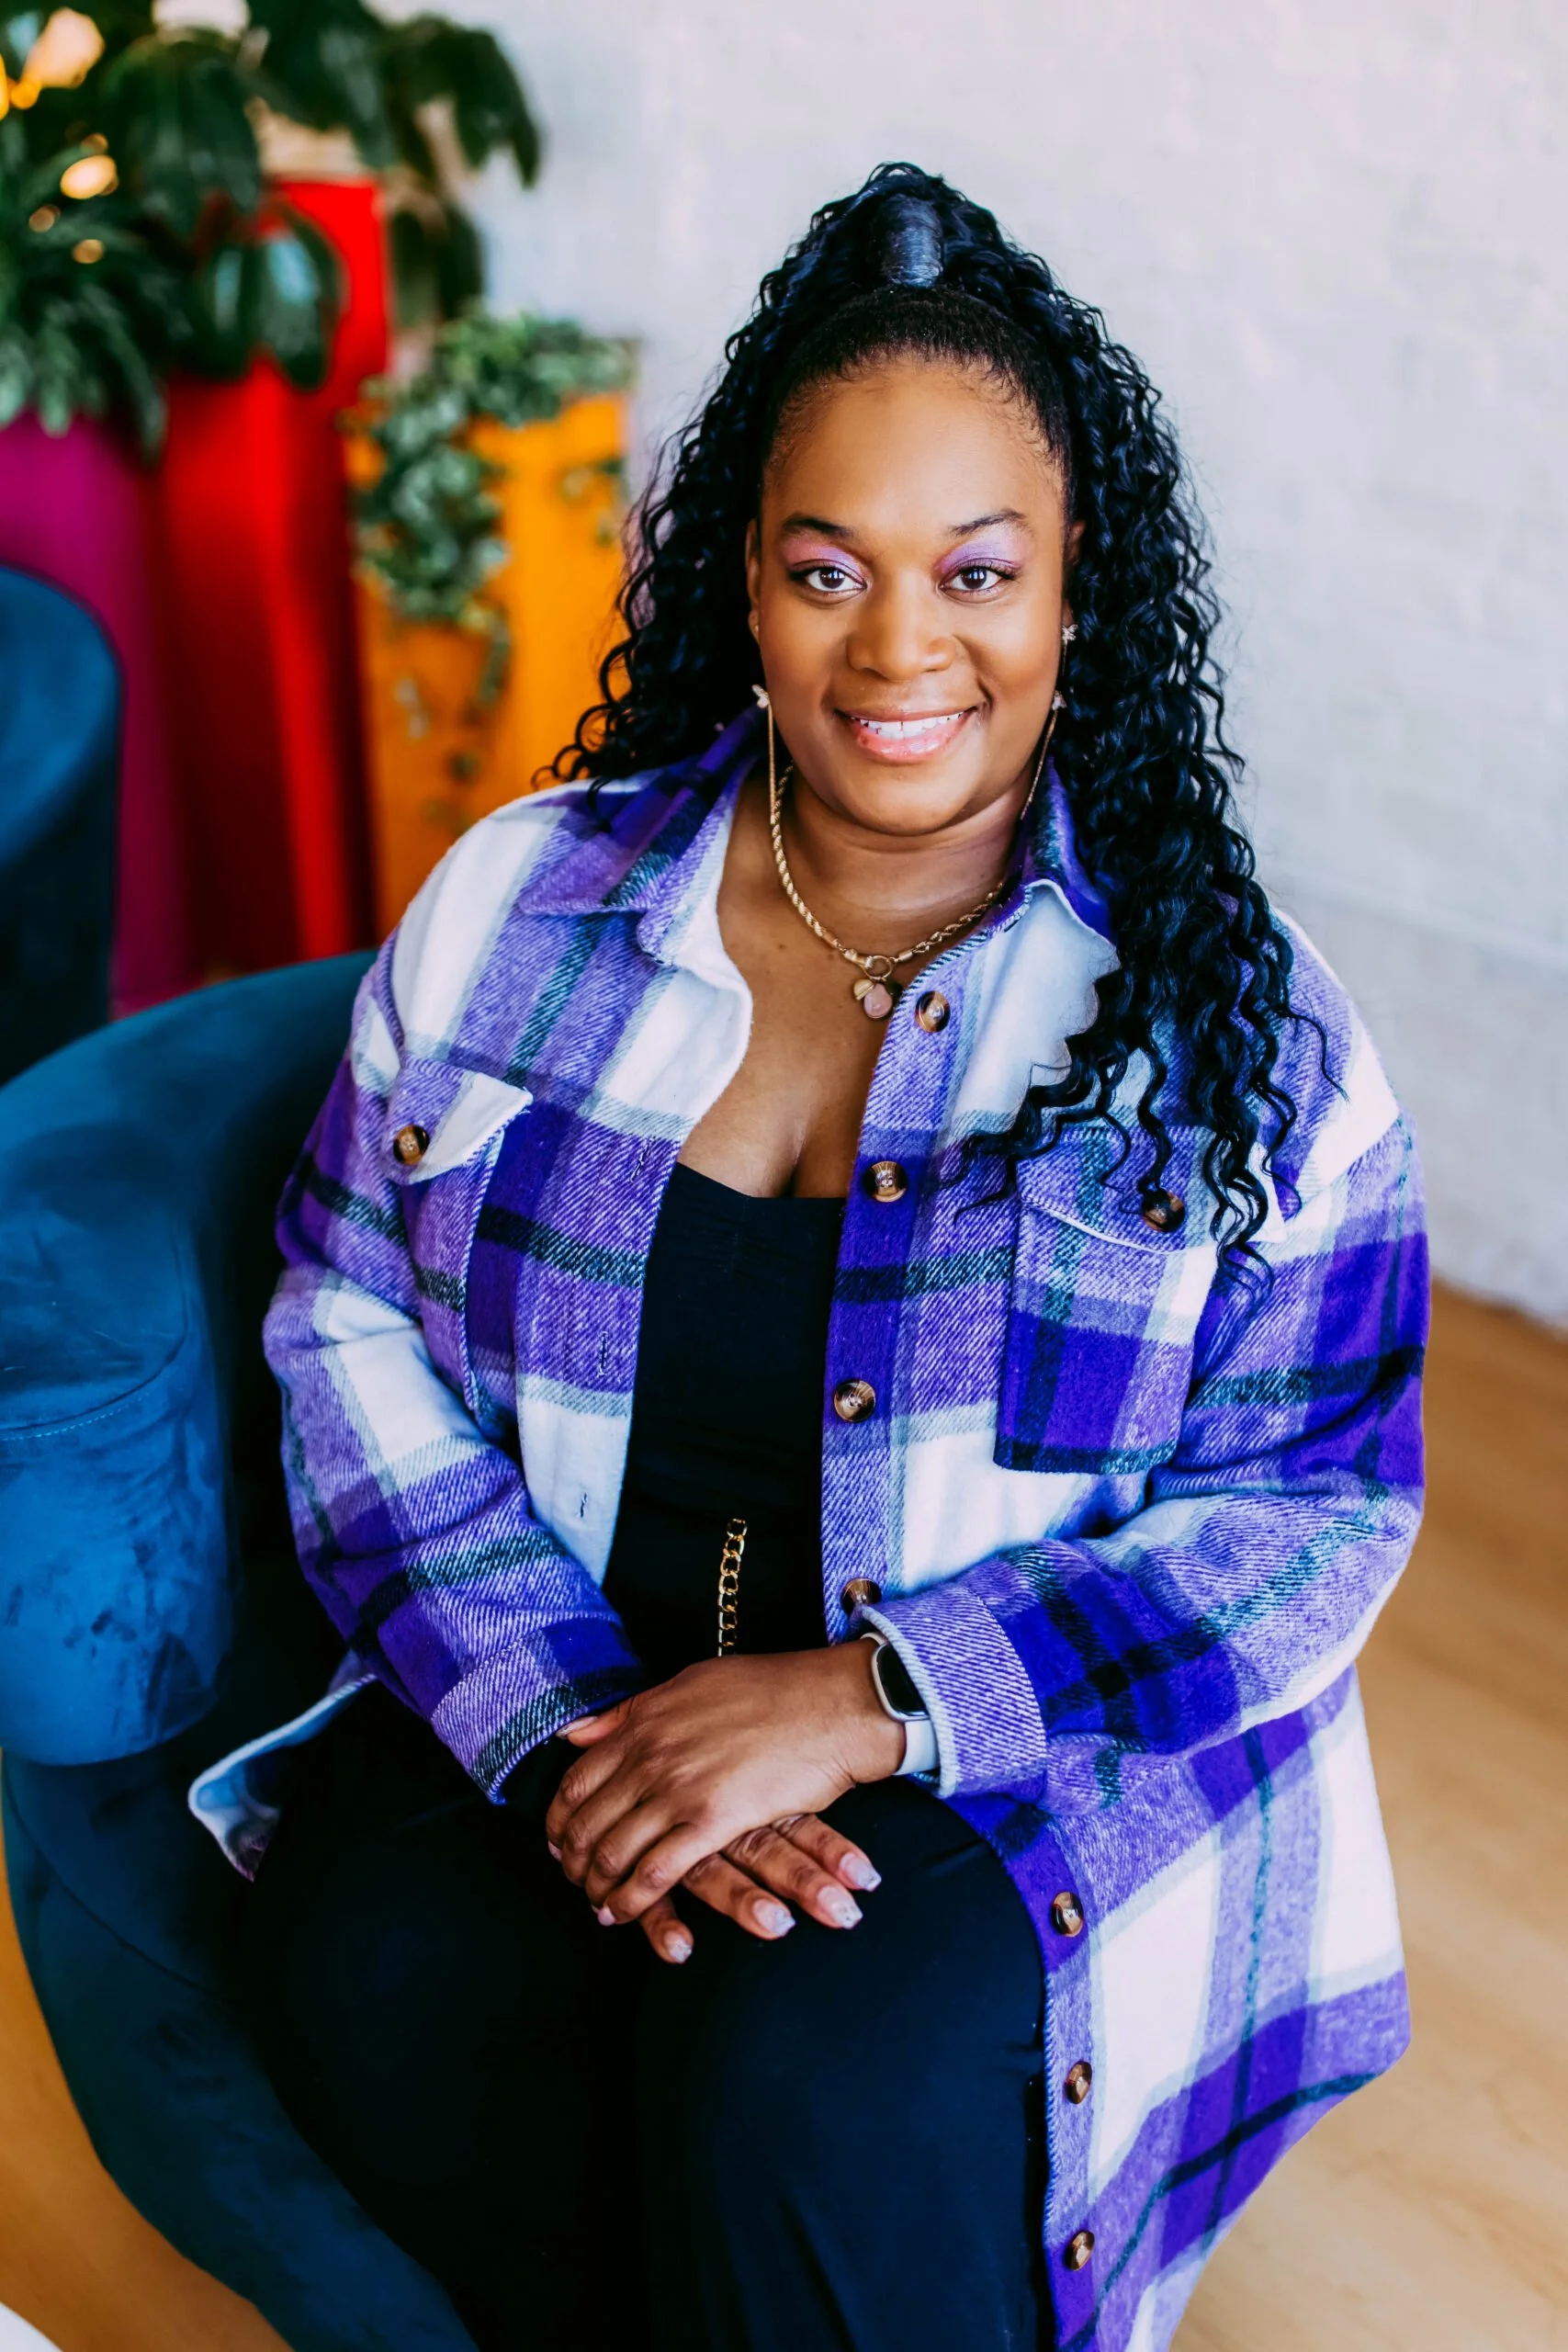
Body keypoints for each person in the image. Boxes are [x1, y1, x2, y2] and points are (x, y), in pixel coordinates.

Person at [220, 164, 1427, 2352]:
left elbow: (1315, 1509)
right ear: (741, 590)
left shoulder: (1236, 1034)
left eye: (977, 570)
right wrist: (575, 1719)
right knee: (363, 1949)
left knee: (792, 2070)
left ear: (1078, 598)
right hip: (582, 1661)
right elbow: (340, 1303)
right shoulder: (523, 905)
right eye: (823, 570)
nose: (898, 648)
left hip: (1004, 1751)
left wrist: (863, 1701)